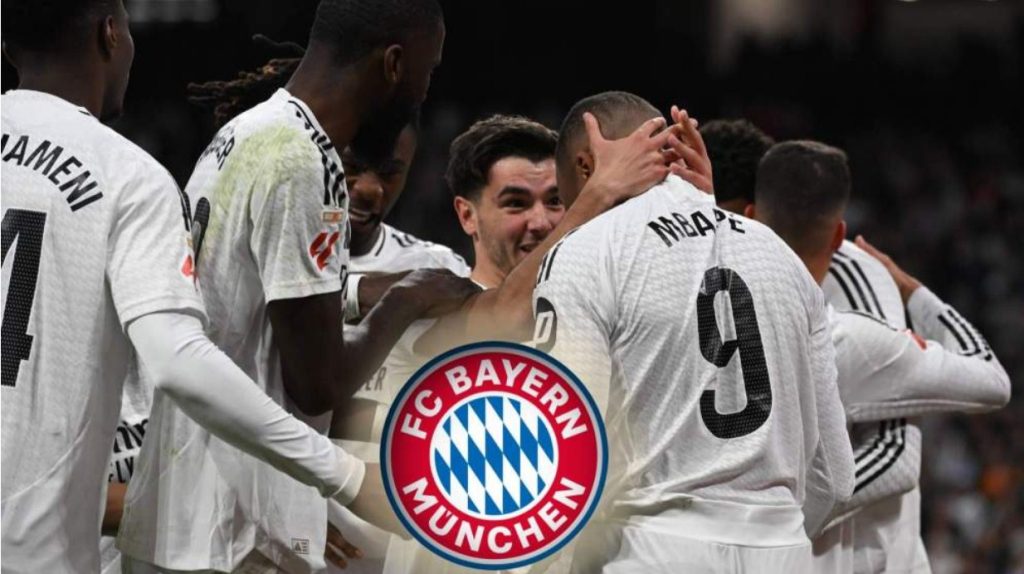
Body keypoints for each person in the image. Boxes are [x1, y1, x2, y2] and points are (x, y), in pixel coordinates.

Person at [0, 1, 399, 572]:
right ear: (110, 33)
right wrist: (346, 475)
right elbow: (179, 360)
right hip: (36, 553)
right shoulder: (128, 175)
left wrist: (354, 292)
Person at [117, 1, 482, 572]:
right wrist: (407, 296)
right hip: (233, 534)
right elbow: (317, 385)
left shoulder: (245, 131)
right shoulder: (302, 158)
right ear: (394, 64)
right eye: (428, 71)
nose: (425, 91)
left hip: (185, 507)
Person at [531, 91, 855, 573]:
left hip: (652, 548)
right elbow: (836, 478)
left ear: (584, 166)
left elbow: (568, 453)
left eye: (560, 197)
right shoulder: (782, 257)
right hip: (783, 548)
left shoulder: (586, 251)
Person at [746, 141, 1011, 572]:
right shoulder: (852, 336)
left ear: (750, 217)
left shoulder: (710, 313)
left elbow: (897, 455)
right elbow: (991, 381)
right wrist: (913, 291)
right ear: (838, 234)